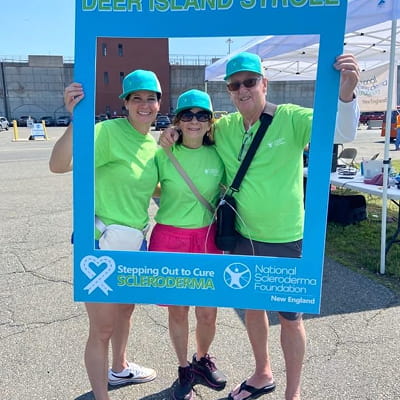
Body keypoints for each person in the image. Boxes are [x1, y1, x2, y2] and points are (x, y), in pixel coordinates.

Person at [160, 52, 360, 400]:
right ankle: (261, 373)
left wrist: (346, 93)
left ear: (264, 84)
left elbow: (342, 130)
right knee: (253, 310)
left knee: (290, 318)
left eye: (250, 82)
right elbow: (194, 133)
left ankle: (293, 393)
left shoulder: (291, 119)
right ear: (229, 91)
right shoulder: (223, 128)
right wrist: (171, 133)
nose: (242, 89)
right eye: (235, 85)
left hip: (286, 237)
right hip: (241, 235)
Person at [49, 69, 162, 400]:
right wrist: (75, 121)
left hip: (134, 242)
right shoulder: (108, 132)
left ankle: (121, 367)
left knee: (125, 310)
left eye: (150, 98)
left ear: (159, 103)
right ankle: (102, 396)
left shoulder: (151, 145)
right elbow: (58, 164)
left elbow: (155, 191)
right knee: (102, 328)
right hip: (99, 244)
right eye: (136, 98)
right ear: (125, 103)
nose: (144, 105)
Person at [149, 89, 227, 400]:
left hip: (207, 237)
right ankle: (183, 368)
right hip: (170, 238)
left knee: (208, 312)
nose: (194, 121)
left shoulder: (219, 154)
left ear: (211, 122)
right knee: (178, 310)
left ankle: (201, 360)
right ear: (177, 120)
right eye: (187, 115)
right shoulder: (162, 153)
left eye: (202, 115)